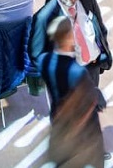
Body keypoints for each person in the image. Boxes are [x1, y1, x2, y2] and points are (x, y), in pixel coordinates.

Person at [37, 16, 107, 168]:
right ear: (69, 36)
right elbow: (91, 99)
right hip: (83, 125)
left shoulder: (43, 60)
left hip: (58, 115)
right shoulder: (77, 71)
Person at [30, 0, 112, 87]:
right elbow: (36, 55)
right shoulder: (43, 18)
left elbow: (100, 28)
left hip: (92, 68)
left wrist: (101, 56)